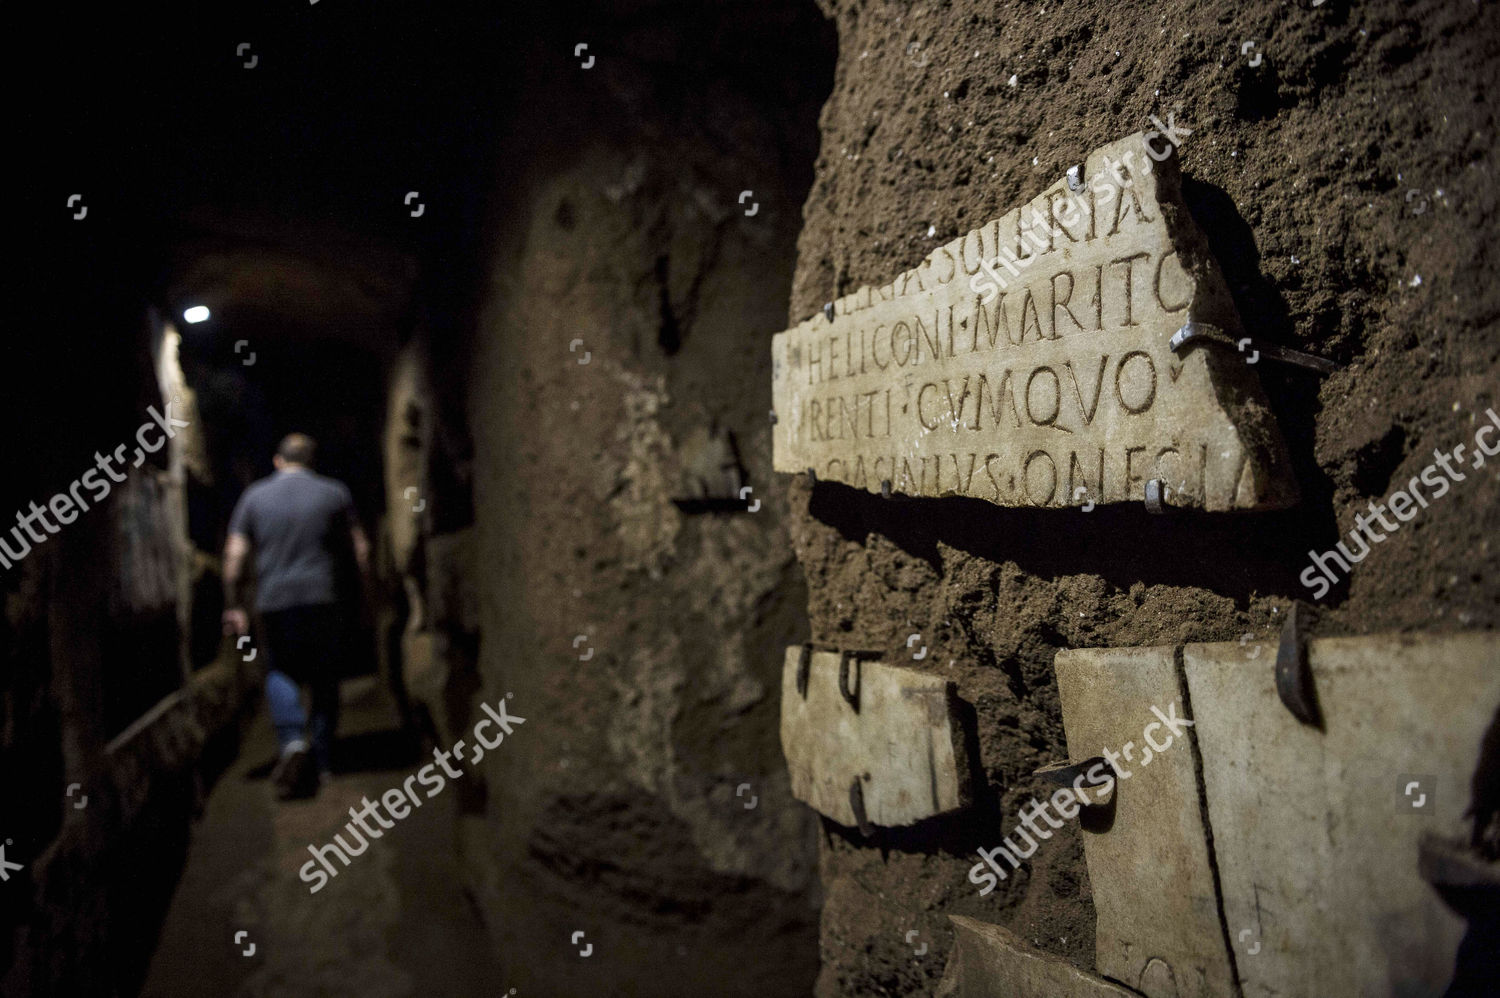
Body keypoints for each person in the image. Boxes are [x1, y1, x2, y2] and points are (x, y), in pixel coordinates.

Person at [222, 433, 369, 798]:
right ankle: (321, 758)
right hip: (324, 596)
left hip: (275, 601)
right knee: (324, 673)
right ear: (312, 461)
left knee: (280, 669)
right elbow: (359, 550)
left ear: (278, 461)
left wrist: (234, 604)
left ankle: (291, 744)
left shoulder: (254, 496)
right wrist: (362, 596)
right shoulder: (334, 492)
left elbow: (234, 556)